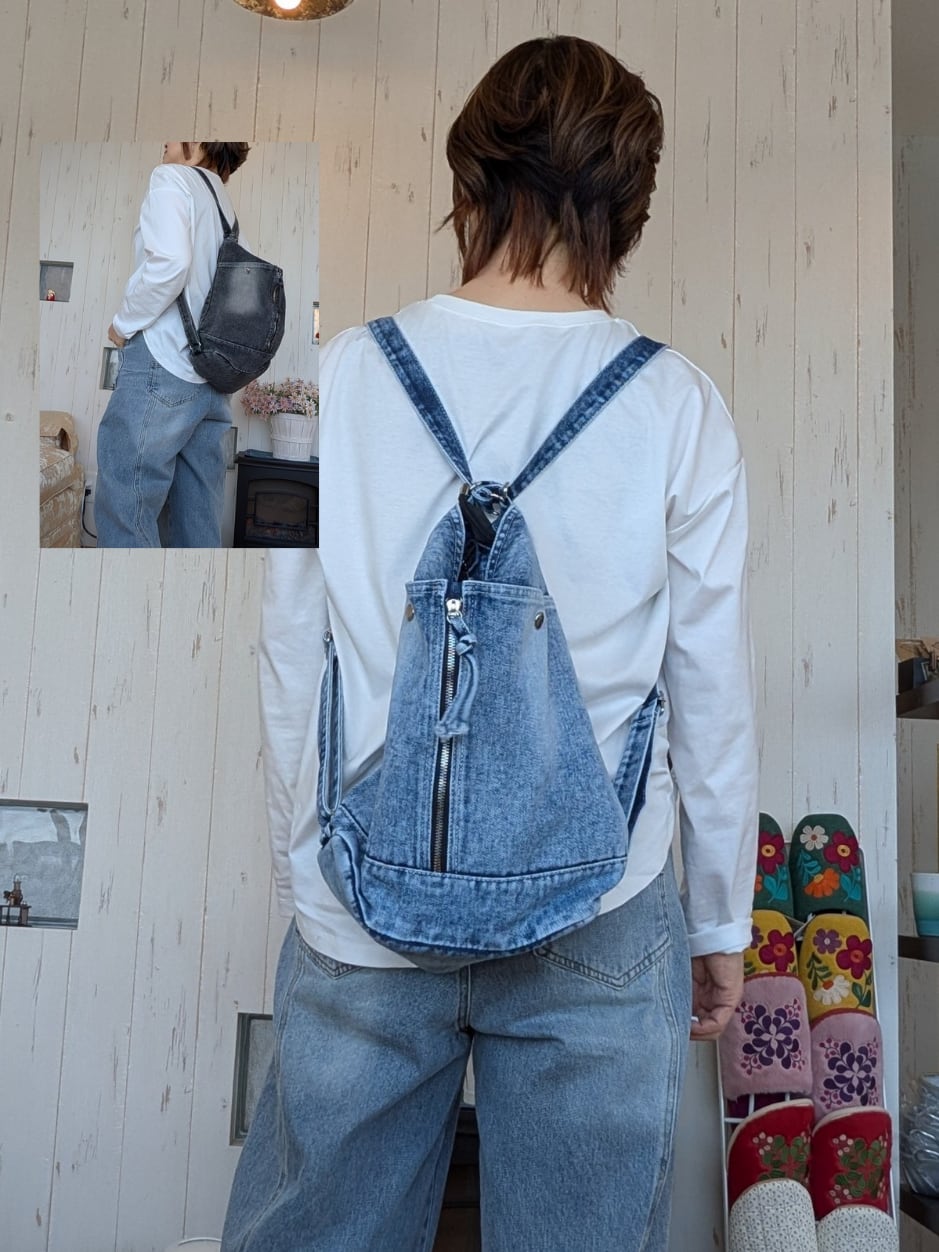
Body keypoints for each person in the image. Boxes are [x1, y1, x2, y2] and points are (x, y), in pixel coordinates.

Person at [223, 35, 758, 1252]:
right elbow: (712, 691)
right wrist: (719, 922)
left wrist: (309, 890)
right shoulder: (677, 405)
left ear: (467, 181)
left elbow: (291, 659)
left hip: (367, 899)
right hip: (600, 907)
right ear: (629, 204)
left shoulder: (333, 380)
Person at [95, 141, 250, 548]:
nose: (163, 140)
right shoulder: (222, 203)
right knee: (197, 515)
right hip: (211, 378)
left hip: (163, 365)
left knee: (126, 505)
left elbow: (171, 264)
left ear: (197, 138)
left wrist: (123, 323)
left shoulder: (171, 177)